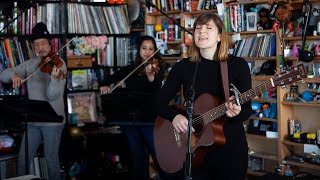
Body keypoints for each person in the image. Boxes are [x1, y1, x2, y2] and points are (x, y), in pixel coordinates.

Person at [155, 13, 252, 180]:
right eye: (198, 28)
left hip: (230, 149)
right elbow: (157, 102)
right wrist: (175, 116)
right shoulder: (183, 67)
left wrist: (237, 112)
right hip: (195, 150)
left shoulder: (238, 65)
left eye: (208, 28)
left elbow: (246, 111)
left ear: (220, 36)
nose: (201, 32)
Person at [0, 22, 66, 180]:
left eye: (43, 43)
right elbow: (3, 74)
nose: (40, 47)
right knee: (23, 159)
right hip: (33, 121)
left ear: (50, 44)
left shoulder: (59, 64)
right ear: (33, 46)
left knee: (51, 161)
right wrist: (14, 75)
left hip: (53, 120)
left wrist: (55, 79)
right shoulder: (30, 64)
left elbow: (52, 96)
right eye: (37, 44)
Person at [100, 35, 167, 180]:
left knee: (159, 158)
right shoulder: (131, 68)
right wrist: (104, 85)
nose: (148, 52)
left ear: (155, 50)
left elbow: (154, 87)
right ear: (139, 50)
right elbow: (109, 79)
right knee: (137, 159)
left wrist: (150, 75)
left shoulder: (158, 67)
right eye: (144, 48)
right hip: (131, 120)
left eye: (151, 49)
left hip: (150, 120)